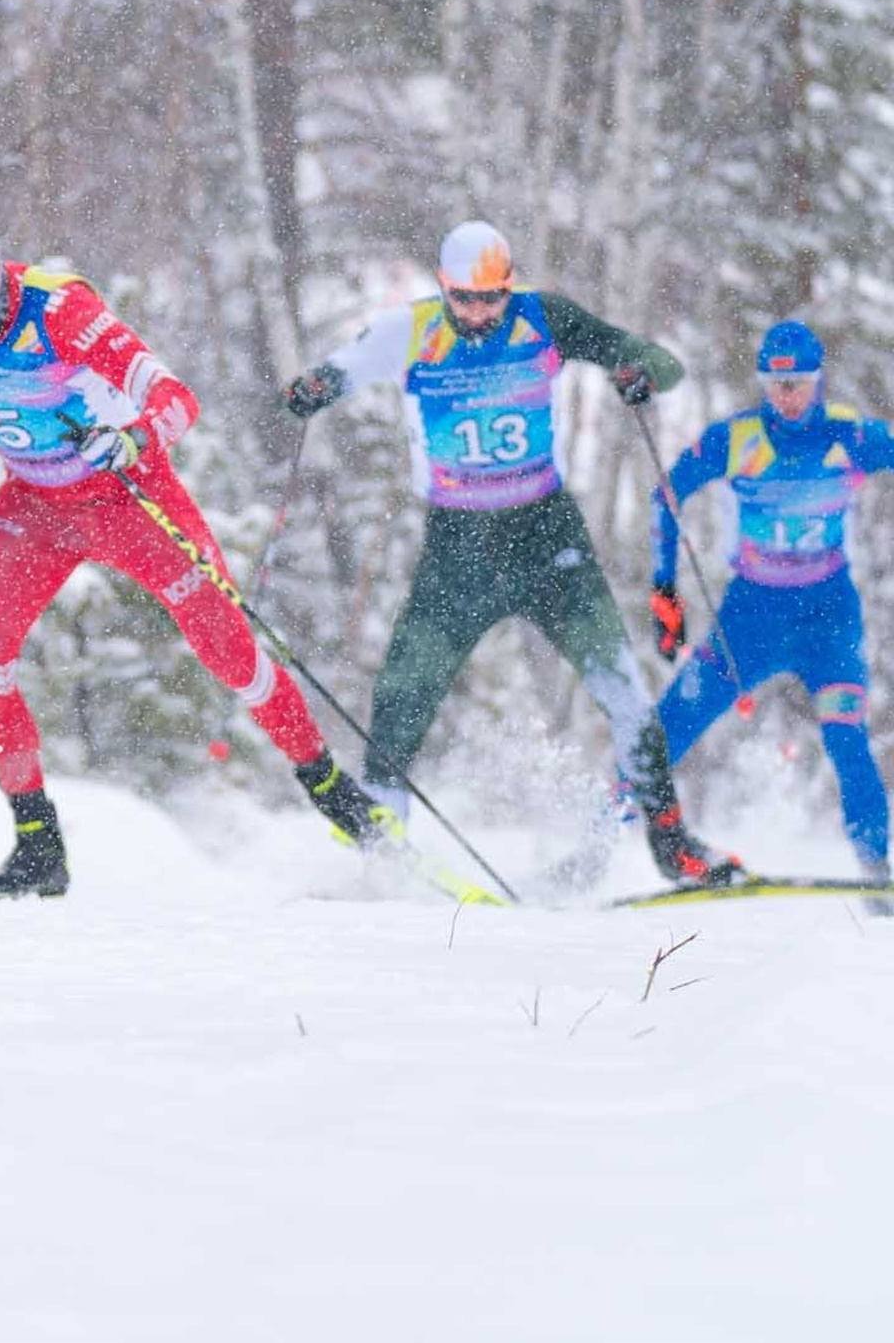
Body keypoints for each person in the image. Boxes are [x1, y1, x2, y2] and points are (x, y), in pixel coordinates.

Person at [0, 212, 388, 898]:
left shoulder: (61, 313)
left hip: (128, 497)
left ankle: (330, 788)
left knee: (226, 647)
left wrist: (134, 441)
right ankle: (38, 845)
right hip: (36, 505)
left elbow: (179, 402)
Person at [280, 219, 732, 884]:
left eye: (492, 297)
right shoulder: (411, 330)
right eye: (465, 298)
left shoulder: (541, 318)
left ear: (509, 285)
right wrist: (314, 389)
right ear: (444, 288)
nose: (479, 313)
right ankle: (383, 851)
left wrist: (640, 372)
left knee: (624, 687)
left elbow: (659, 363)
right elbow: (338, 373)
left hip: (547, 537)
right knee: (403, 690)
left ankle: (673, 846)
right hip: (458, 547)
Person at [649, 320, 894, 883]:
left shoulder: (848, 436)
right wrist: (663, 589)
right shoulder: (736, 439)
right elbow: (665, 496)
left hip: (828, 620)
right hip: (751, 617)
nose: (787, 397)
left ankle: (877, 874)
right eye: (775, 384)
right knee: (664, 731)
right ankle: (590, 851)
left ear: (818, 380)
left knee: (846, 736)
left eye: (799, 384)